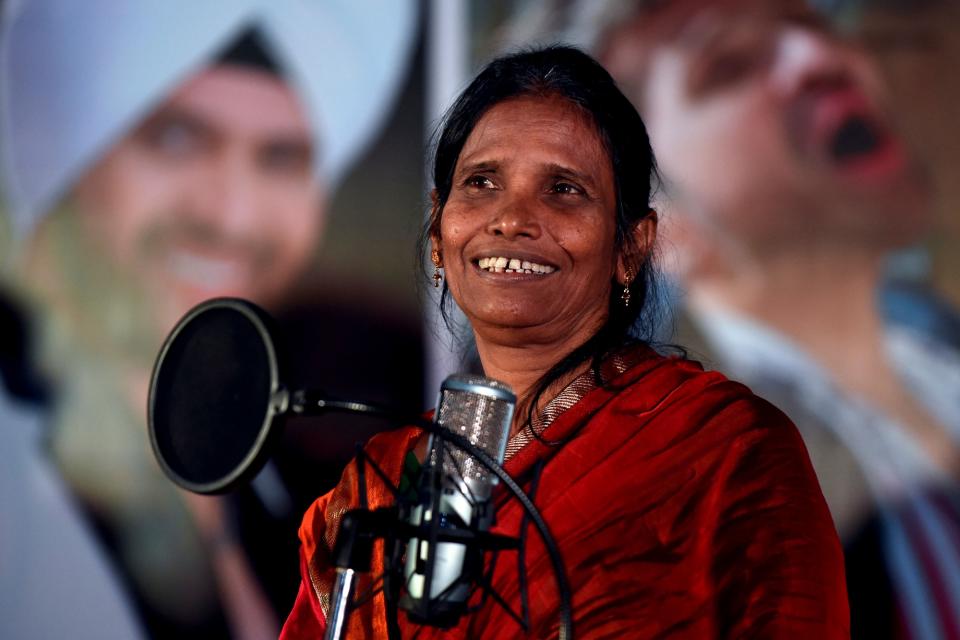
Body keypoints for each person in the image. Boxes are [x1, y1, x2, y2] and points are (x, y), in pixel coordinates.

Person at [281, 46, 848, 638]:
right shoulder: (376, 488)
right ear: (437, 229)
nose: (511, 219)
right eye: (481, 182)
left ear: (630, 246)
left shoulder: (727, 453)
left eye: (564, 189)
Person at [502, 1, 960, 636]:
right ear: (659, 227)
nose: (820, 59)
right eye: (731, 66)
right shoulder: (671, 475)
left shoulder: (940, 353)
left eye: (815, 26)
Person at [0, 1, 417, 638]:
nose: (231, 216)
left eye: (280, 157)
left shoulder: (311, 492)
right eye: (176, 139)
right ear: (68, 159)